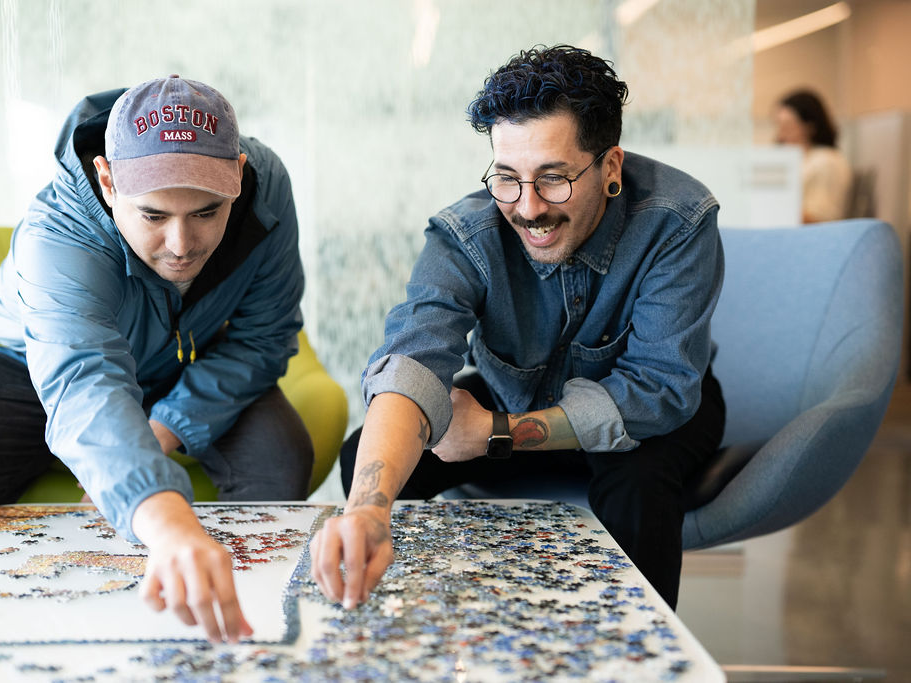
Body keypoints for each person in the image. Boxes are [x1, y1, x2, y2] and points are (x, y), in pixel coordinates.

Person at [0, 75, 312, 642]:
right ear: (108, 181)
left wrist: (163, 427)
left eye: (207, 212)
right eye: (154, 215)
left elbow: (264, 337)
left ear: (237, 176)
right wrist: (165, 522)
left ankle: (240, 626)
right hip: (27, 367)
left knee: (282, 456)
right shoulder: (57, 233)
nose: (182, 244)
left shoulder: (268, 192)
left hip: (187, 364)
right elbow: (82, 379)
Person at [310, 45, 726, 611]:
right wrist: (366, 510)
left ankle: (632, 659)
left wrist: (494, 432)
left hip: (654, 412)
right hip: (519, 396)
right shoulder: (466, 234)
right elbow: (412, 361)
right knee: (369, 454)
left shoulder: (678, 219)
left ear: (610, 167)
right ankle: (435, 628)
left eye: (554, 179)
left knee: (637, 486)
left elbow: (660, 389)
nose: (528, 208)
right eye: (507, 178)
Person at [774, 89, 853, 223]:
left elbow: (821, 219)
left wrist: (770, 209)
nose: (781, 136)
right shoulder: (801, 161)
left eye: (787, 127)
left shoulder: (827, 162)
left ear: (809, 127)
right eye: (779, 126)